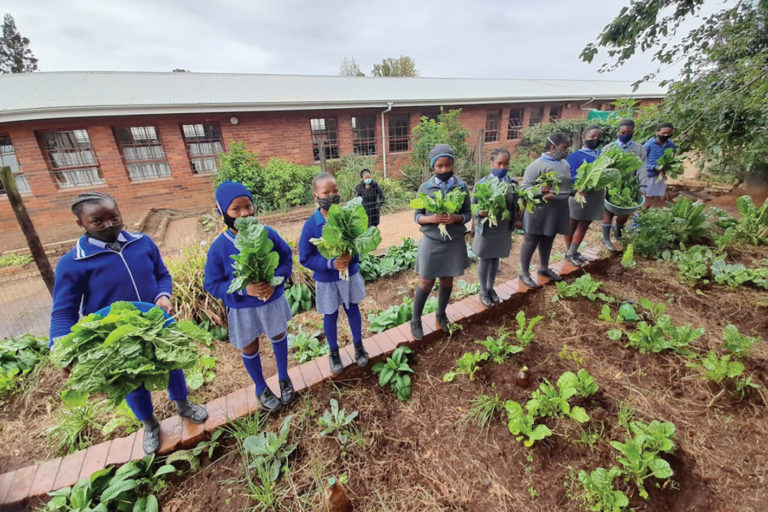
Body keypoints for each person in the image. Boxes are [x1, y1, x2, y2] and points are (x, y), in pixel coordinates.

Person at [49, 192, 208, 454]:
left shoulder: (142, 243)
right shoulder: (73, 263)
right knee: (131, 381)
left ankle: (184, 405)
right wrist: (61, 349)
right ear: (81, 224)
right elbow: (63, 312)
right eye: (97, 222)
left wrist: (162, 295)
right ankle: (149, 424)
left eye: (114, 217)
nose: (109, 225)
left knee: (173, 366)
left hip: (155, 325)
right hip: (117, 338)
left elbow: (161, 274)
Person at [203, 181, 295, 414]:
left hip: (272, 300)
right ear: (222, 212)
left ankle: (284, 377)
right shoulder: (218, 248)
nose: (244, 214)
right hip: (242, 308)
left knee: (278, 334)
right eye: (236, 209)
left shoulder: (267, 234)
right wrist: (245, 290)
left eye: (248, 207)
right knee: (249, 346)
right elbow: (212, 284)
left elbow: (286, 260)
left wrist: (276, 282)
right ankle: (261, 387)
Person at [299, 173, 369, 375]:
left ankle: (358, 346)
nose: (332, 195)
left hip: (350, 275)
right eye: (326, 192)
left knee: (353, 309)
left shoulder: (346, 215)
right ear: (316, 196)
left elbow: (358, 242)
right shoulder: (311, 225)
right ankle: (334, 353)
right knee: (330, 315)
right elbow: (305, 257)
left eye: (335, 191)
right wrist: (331, 263)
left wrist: (351, 257)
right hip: (327, 280)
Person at [410, 144, 472, 339]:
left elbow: (468, 213)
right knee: (426, 282)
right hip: (432, 241)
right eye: (439, 166)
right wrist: (431, 219)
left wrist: (457, 218)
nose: (444, 169)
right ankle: (415, 319)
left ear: (453, 164)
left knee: (447, 280)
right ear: (433, 167)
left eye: (448, 165)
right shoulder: (425, 188)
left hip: (453, 241)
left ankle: (441, 314)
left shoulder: (461, 186)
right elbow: (417, 216)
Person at [518, 132, 572, 289]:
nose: (566, 151)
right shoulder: (536, 166)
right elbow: (524, 189)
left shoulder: (564, 164)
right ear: (553, 147)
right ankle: (524, 272)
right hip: (539, 210)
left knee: (549, 238)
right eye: (564, 147)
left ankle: (543, 268)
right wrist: (541, 191)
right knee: (531, 240)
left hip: (557, 210)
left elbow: (566, 185)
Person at [472, 148, 519, 307]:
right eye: (499, 163)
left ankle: (491, 288)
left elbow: (516, 205)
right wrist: (480, 212)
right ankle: (483, 291)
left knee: (495, 259)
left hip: (503, 227)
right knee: (485, 260)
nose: (502, 167)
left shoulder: (512, 183)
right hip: (486, 228)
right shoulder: (482, 184)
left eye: (506, 164)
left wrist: (517, 218)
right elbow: (474, 207)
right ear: (491, 163)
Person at [601, 118, 647, 251]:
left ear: (633, 132)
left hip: (629, 186)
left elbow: (642, 168)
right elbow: (602, 167)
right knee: (608, 211)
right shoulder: (608, 148)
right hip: (611, 185)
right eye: (622, 132)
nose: (625, 134)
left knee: (625, 211)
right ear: (617, 132)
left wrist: (643, 186)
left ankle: (618, 232)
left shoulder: (639, 149)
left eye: (629, 132)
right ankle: (606, 238)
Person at [563, 125, 604, 267]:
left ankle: (573, 252)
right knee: (571, 223)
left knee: (585, 224)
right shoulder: (575, 156)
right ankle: (569, 252)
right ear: (584, 138)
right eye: (592, 137)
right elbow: (570, 175)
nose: (595, 139)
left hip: (595, 195)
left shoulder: (602, 155)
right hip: (578, 194)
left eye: (598, 137)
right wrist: (580, 187)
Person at [643, 122, 676, 208]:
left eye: (669, 133)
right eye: (663, 133)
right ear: (657, 132)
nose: (666, 135)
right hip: (648, 175)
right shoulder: (649, 144)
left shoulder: (671, 146)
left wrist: (668, 168)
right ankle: (639, 216)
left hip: (660, 176)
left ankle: (647, 216)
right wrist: (654, 167)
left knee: (656, 197)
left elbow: (671, 160)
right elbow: (641, 161)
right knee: (646, 197)